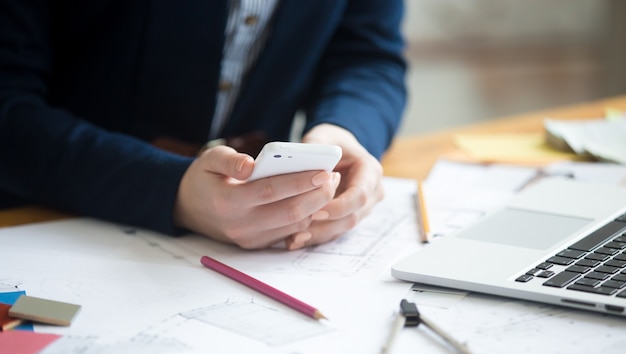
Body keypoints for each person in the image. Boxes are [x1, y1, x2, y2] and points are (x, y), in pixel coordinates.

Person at [0, 0, 407, 250]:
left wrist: (343, 132)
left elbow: (368, 56)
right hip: (45, 221)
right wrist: (170, 189)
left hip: (248, 245)